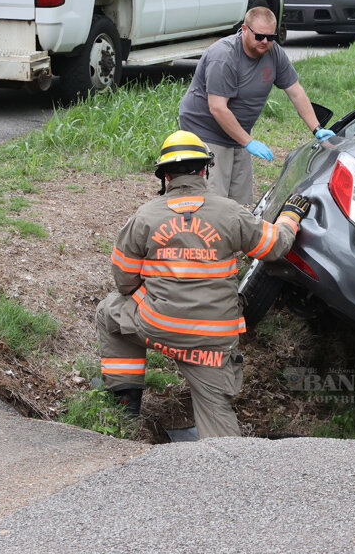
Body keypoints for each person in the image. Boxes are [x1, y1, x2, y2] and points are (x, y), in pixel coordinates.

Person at [96, 130, 311, 438]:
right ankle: (226, 473)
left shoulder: (144, 217)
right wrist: (290, 217)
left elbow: (124, 281)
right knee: (220, 432)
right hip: (212, 343)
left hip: (159, 326)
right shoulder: (231, 212)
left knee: (109, 310)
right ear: (204, 169)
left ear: (166, 176)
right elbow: (274, 247)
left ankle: (125, 409)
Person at [178, 5, 334, 204]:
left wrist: (317, 128)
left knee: (240, 201)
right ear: (244, 29)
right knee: (214, 201)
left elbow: (295, 92)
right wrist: (248, 142)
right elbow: (217, 107)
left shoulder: (274, 53)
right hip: (206, 131)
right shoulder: (224, 57)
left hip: (237, 133)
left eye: (271, 37)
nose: (265, 42)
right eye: (259, 36)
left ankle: (236, 233)